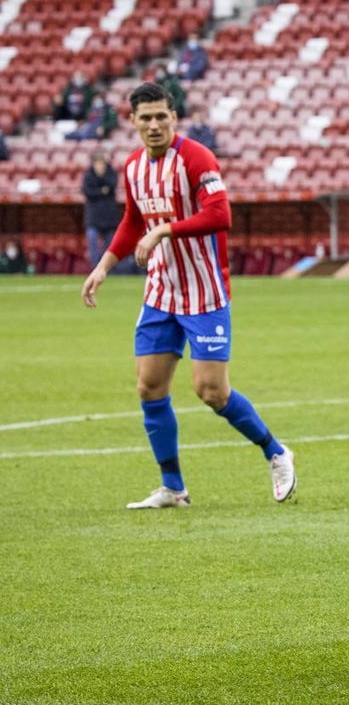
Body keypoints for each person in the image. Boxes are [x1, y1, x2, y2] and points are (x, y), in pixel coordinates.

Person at [80, 81, 296, 508]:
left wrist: (164, 229)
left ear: (174, 117)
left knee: (212, 392)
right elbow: (133, 220)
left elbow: (220, 214)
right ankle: (173, 488)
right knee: (149, 387)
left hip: (204, 293)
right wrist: (103, 266)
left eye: (161, 116)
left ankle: (276, 452)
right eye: (146, 118)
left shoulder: (196, 158)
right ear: (133, 121)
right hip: (161, 292)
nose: (154, 124)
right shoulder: (133, 166)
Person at [82, 150, 120, 271]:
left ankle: (108, 269)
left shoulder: (111, 173)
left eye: (101, 163)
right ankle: (95, 268)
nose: (99, 166)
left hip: (109, 217)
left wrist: (101, 179)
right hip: (93, 217)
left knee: (110, 246)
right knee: (92, 242)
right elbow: (87, 191)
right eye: (97, 163)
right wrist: (102, 191)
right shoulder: (88, 175)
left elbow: (112, 185)